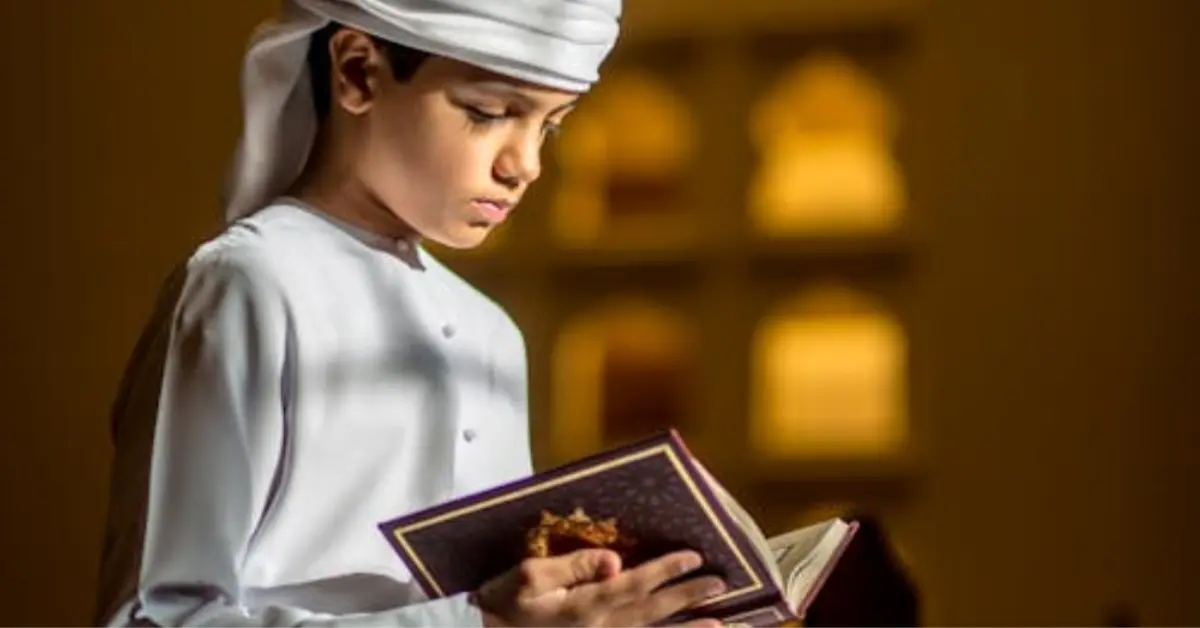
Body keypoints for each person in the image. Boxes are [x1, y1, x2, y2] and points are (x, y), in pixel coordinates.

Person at [92, 0, 727, 626]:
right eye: (489, 113)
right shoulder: (250, 283)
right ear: (359, 71)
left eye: (550, 126)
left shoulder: (492, 333)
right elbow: (157, 618)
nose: (525, 165)